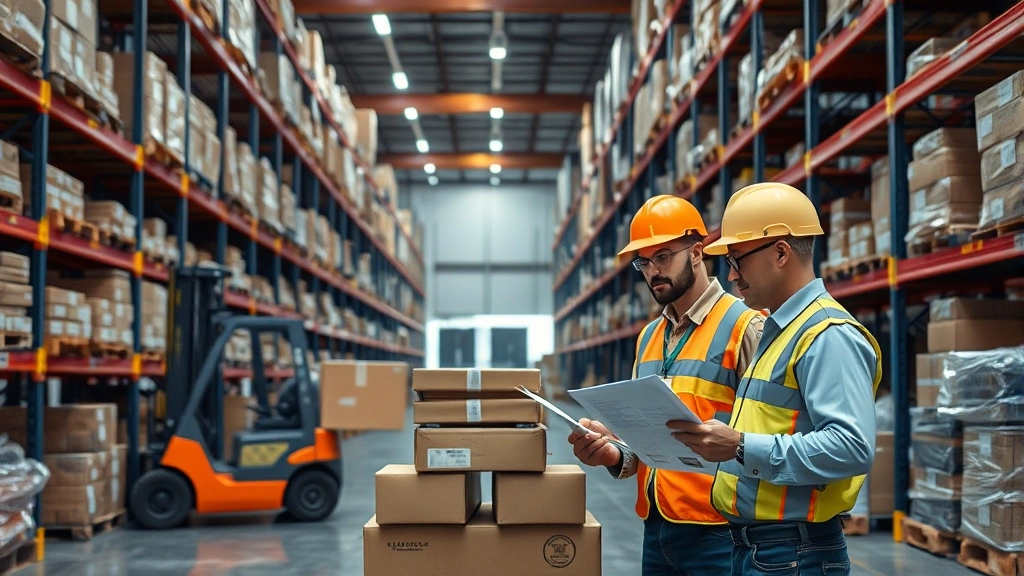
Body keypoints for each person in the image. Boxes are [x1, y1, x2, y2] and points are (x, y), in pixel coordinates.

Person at [670, 183, 882, 576]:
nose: (731, 276)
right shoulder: (779, 329)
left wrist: (739, 446)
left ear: (781, 252)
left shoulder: (826, 335)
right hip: (763, 550)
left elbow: (851, 448)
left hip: (796, 552)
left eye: (737, 260)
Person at [567, 195, 764, 576]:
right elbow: (647, 444)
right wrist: (611, 453)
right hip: (657, 528)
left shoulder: (745, 327)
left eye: (663, 256)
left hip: (721, 532)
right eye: (643, 262)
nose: (652, 270)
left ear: (697, 252)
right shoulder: (649, 337)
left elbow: (765, 437)